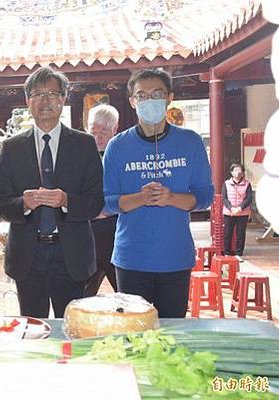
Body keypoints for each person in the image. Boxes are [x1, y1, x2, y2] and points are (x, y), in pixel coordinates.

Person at [103, 69, 214, 318]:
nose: (149, 100)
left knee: (172, 332)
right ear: (132, 102)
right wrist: (140, 198)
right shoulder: (118, 146)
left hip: (175, 256)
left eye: (157, 94)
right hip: (131, 257)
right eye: (142, 95)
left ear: (169, 98)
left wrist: (171, 198)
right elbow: (106, 202)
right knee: (134, 333)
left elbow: (205, 196)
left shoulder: (190, 141)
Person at [0, 66, 104, 318]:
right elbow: (0, 204)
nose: (46, 101)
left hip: (72, 254)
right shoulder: (12, 147)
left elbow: (95, 202)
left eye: (53, 94)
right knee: (33, 328)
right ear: (27, 101)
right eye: (38, 94)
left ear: (64, 99)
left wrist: (67, 201)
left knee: (73, 327)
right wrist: (24, 203)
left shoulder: (84, 144)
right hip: (27, 254)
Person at [84, 104, 119, 297]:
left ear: (115, 129)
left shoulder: (121, 155)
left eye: (104, 132)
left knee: (125, 294)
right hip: (88, 233)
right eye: (93, 131)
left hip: (115, 231)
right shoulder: (81, 155)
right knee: (82, 296)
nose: (97, 137)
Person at [222, 163, 252, 258]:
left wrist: (240, 208)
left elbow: (249, 198)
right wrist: (231, 208)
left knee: (241, 234)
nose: (237, 172)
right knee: (227, 233)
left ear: (243, 173)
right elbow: (224, 198)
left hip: (242, 213)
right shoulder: (226, 183)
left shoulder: (247, 184)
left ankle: (239, 254)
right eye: (235, 170)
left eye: (239, 170)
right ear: (231, 172)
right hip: (229, 212)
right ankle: (227, 252)